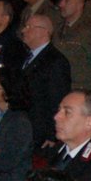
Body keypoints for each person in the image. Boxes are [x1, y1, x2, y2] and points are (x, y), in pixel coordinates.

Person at [18, 12, 72, 148]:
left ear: (43, 32)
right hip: (24, 127)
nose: (24, 30)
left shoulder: (55, 61)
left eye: (29, 27)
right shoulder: (26, 57)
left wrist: (52, 133)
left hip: (39, 131)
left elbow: (57, 99)